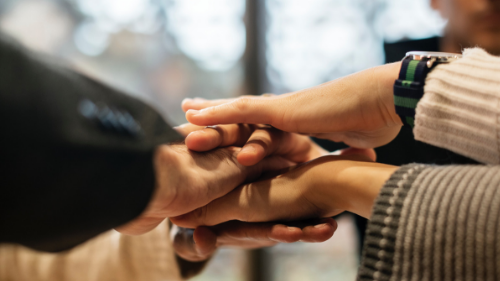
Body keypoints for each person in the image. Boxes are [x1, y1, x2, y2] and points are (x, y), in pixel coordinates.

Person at [177, 46, 500, 280]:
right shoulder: (377, 68)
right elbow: (298, 170)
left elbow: (322, 181)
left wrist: (336, 183)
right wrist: (186, 199)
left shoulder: (386, 88)